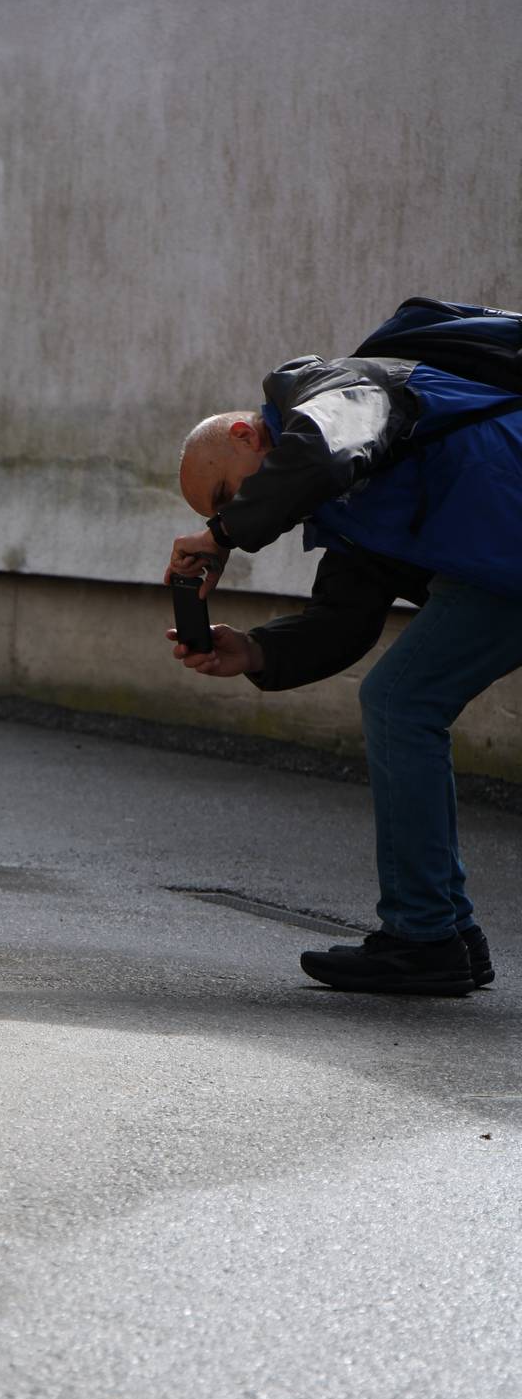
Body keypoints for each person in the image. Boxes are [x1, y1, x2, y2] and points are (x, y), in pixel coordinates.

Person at [164, 349, 522, 995]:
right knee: (403, 702)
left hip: (509, 554)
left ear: (246, 434)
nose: (223, 516)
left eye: (224, 494)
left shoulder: (338, 390)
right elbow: (345, 620)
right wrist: (255, 650)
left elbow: (324, 449)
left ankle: (425, 938)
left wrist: (225, 534)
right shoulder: (346, 507)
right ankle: (448, 935)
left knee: (401, 702)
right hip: (501, 571)